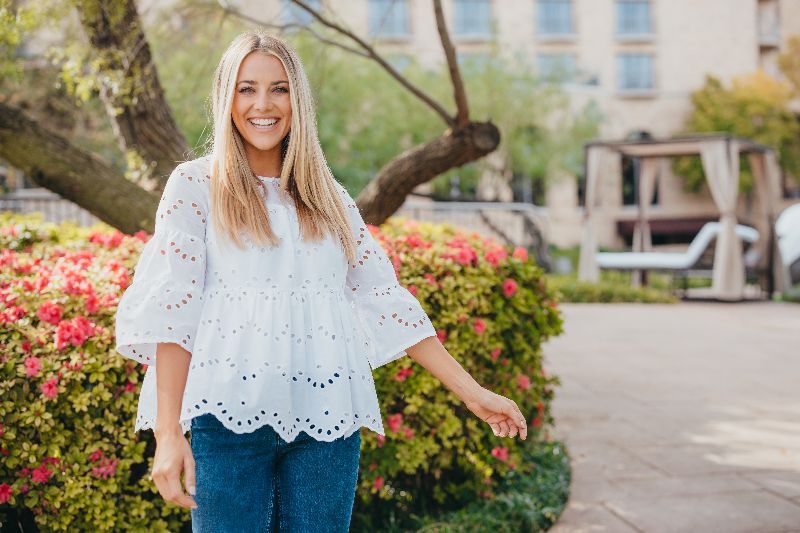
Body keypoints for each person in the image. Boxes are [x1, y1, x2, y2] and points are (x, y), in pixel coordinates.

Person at [114, 30, 528, 532]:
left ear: (298, 100)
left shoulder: (326, 195)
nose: (262, 104)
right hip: (225, 422)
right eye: (246, 89)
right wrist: (167, 434)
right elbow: (174, 311)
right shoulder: (195, 186)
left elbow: (383, 299)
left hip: (327, 425)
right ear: (226, 98)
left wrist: (473, 393)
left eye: (279, 88)